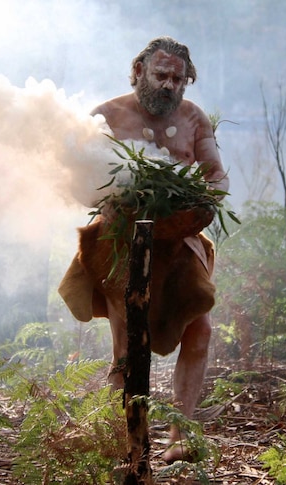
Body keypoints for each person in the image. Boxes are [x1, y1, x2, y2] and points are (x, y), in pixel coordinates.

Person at [58, 36, 228, 464]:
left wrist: (201, 204)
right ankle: (129, 440)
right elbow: (77, 183)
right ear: (138, 73)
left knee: (201, 330)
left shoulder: (193, 120)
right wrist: (121, 195)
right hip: (122, 244)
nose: (170, 85)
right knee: (127, 344)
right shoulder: (106, 116)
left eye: (178, 78)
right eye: (161, 75)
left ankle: (179, 436)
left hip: (180, 242)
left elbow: (216, 178)